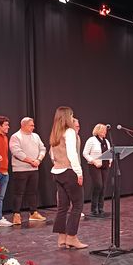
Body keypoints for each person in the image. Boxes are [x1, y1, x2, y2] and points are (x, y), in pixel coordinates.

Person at [49, 107, 86, 249]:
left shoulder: (56, 133)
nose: (72, 118)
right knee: (77, 205)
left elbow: (52, 155)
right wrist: (79, 172)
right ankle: (72, 237)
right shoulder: (69, 132)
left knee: (62, 206)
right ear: (66, 117)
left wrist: (58, 163)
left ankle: (62, 238)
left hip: (57, 172)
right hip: (69, 172)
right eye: (71, 115)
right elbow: (72, 154)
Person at [9, 117, 47, 225]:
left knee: (33, 192)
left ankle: (33, 213)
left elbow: (43, 148)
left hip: (34, 168)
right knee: (18, 193)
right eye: (31, 125)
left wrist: (38, 160)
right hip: (20, 169)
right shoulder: (16, 136)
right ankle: (16, 214)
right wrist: (31, 161)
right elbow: (17, 152)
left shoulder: (36, 136)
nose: (33, 127)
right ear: (23, 125)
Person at [83, 123, 111, 217]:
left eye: (105, 131)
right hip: (94, 166)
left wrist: (110, 160)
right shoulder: (91, 140)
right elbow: (85, 153)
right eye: (103, 130)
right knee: (98, 185)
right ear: (98, 131)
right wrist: (93, 161)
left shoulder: (106, 141)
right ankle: (94, 209)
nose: (105, 132)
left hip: (105, 165)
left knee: (103, 187)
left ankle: (100, 208)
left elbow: (109, 152)